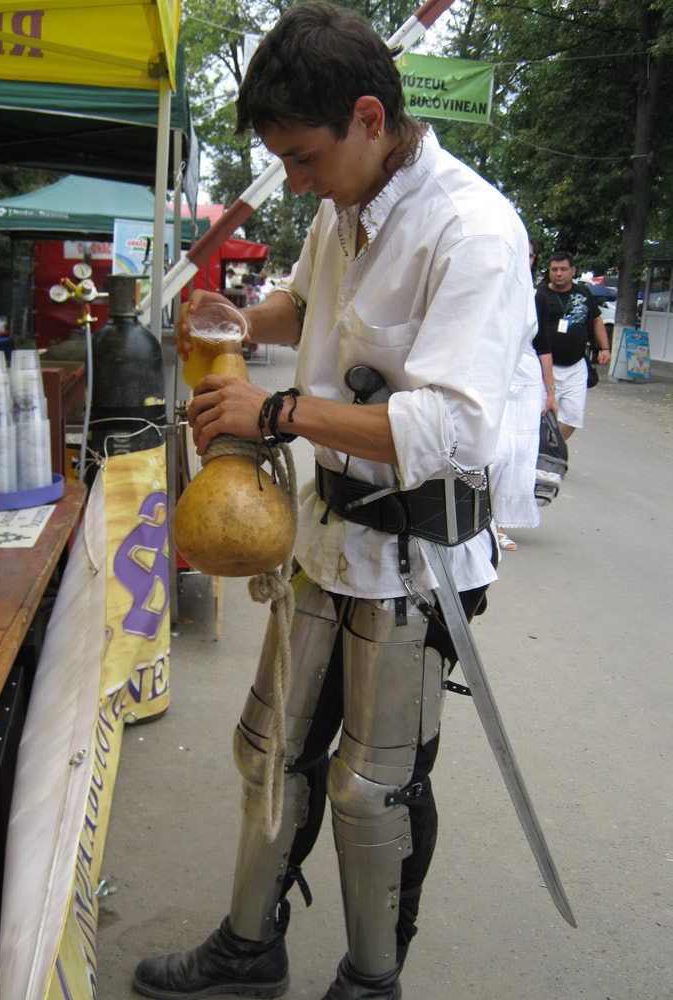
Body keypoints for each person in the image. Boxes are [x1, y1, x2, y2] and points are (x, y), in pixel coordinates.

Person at [133, 5, 535, 1000]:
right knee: (269, 748)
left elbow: (452, 432)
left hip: (416, 560)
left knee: (371, 788)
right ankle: (247, 946)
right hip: (325, 540)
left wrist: (277, 409)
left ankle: (371, 978)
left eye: (305, 159)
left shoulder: (473, 229)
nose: (297, 182)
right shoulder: (339, 208)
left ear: (369, 116)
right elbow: (307, 309)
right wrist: (238, 317)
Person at [490, 237, 557, 552]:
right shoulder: (490, 287)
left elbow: (542, 343)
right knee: (496, 450)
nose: (525, 260)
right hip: (495, 374)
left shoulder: (538, 297)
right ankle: (477, 519)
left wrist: (550, 389)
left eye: (531, 256)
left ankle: (498, 524)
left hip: (528, 380)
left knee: (518, 454)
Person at [534, 251, 610, 441]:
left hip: (576, 367)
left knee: (573, 418)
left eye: (564, 269)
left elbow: (597, 321)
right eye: (554, 270)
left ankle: (550, 449)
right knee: (538, 415)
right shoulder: (539, 295)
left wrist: (605, 348)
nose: (559, 273)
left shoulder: (583, 293)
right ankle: (538, 452)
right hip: (544, 368)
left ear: (573, 270)